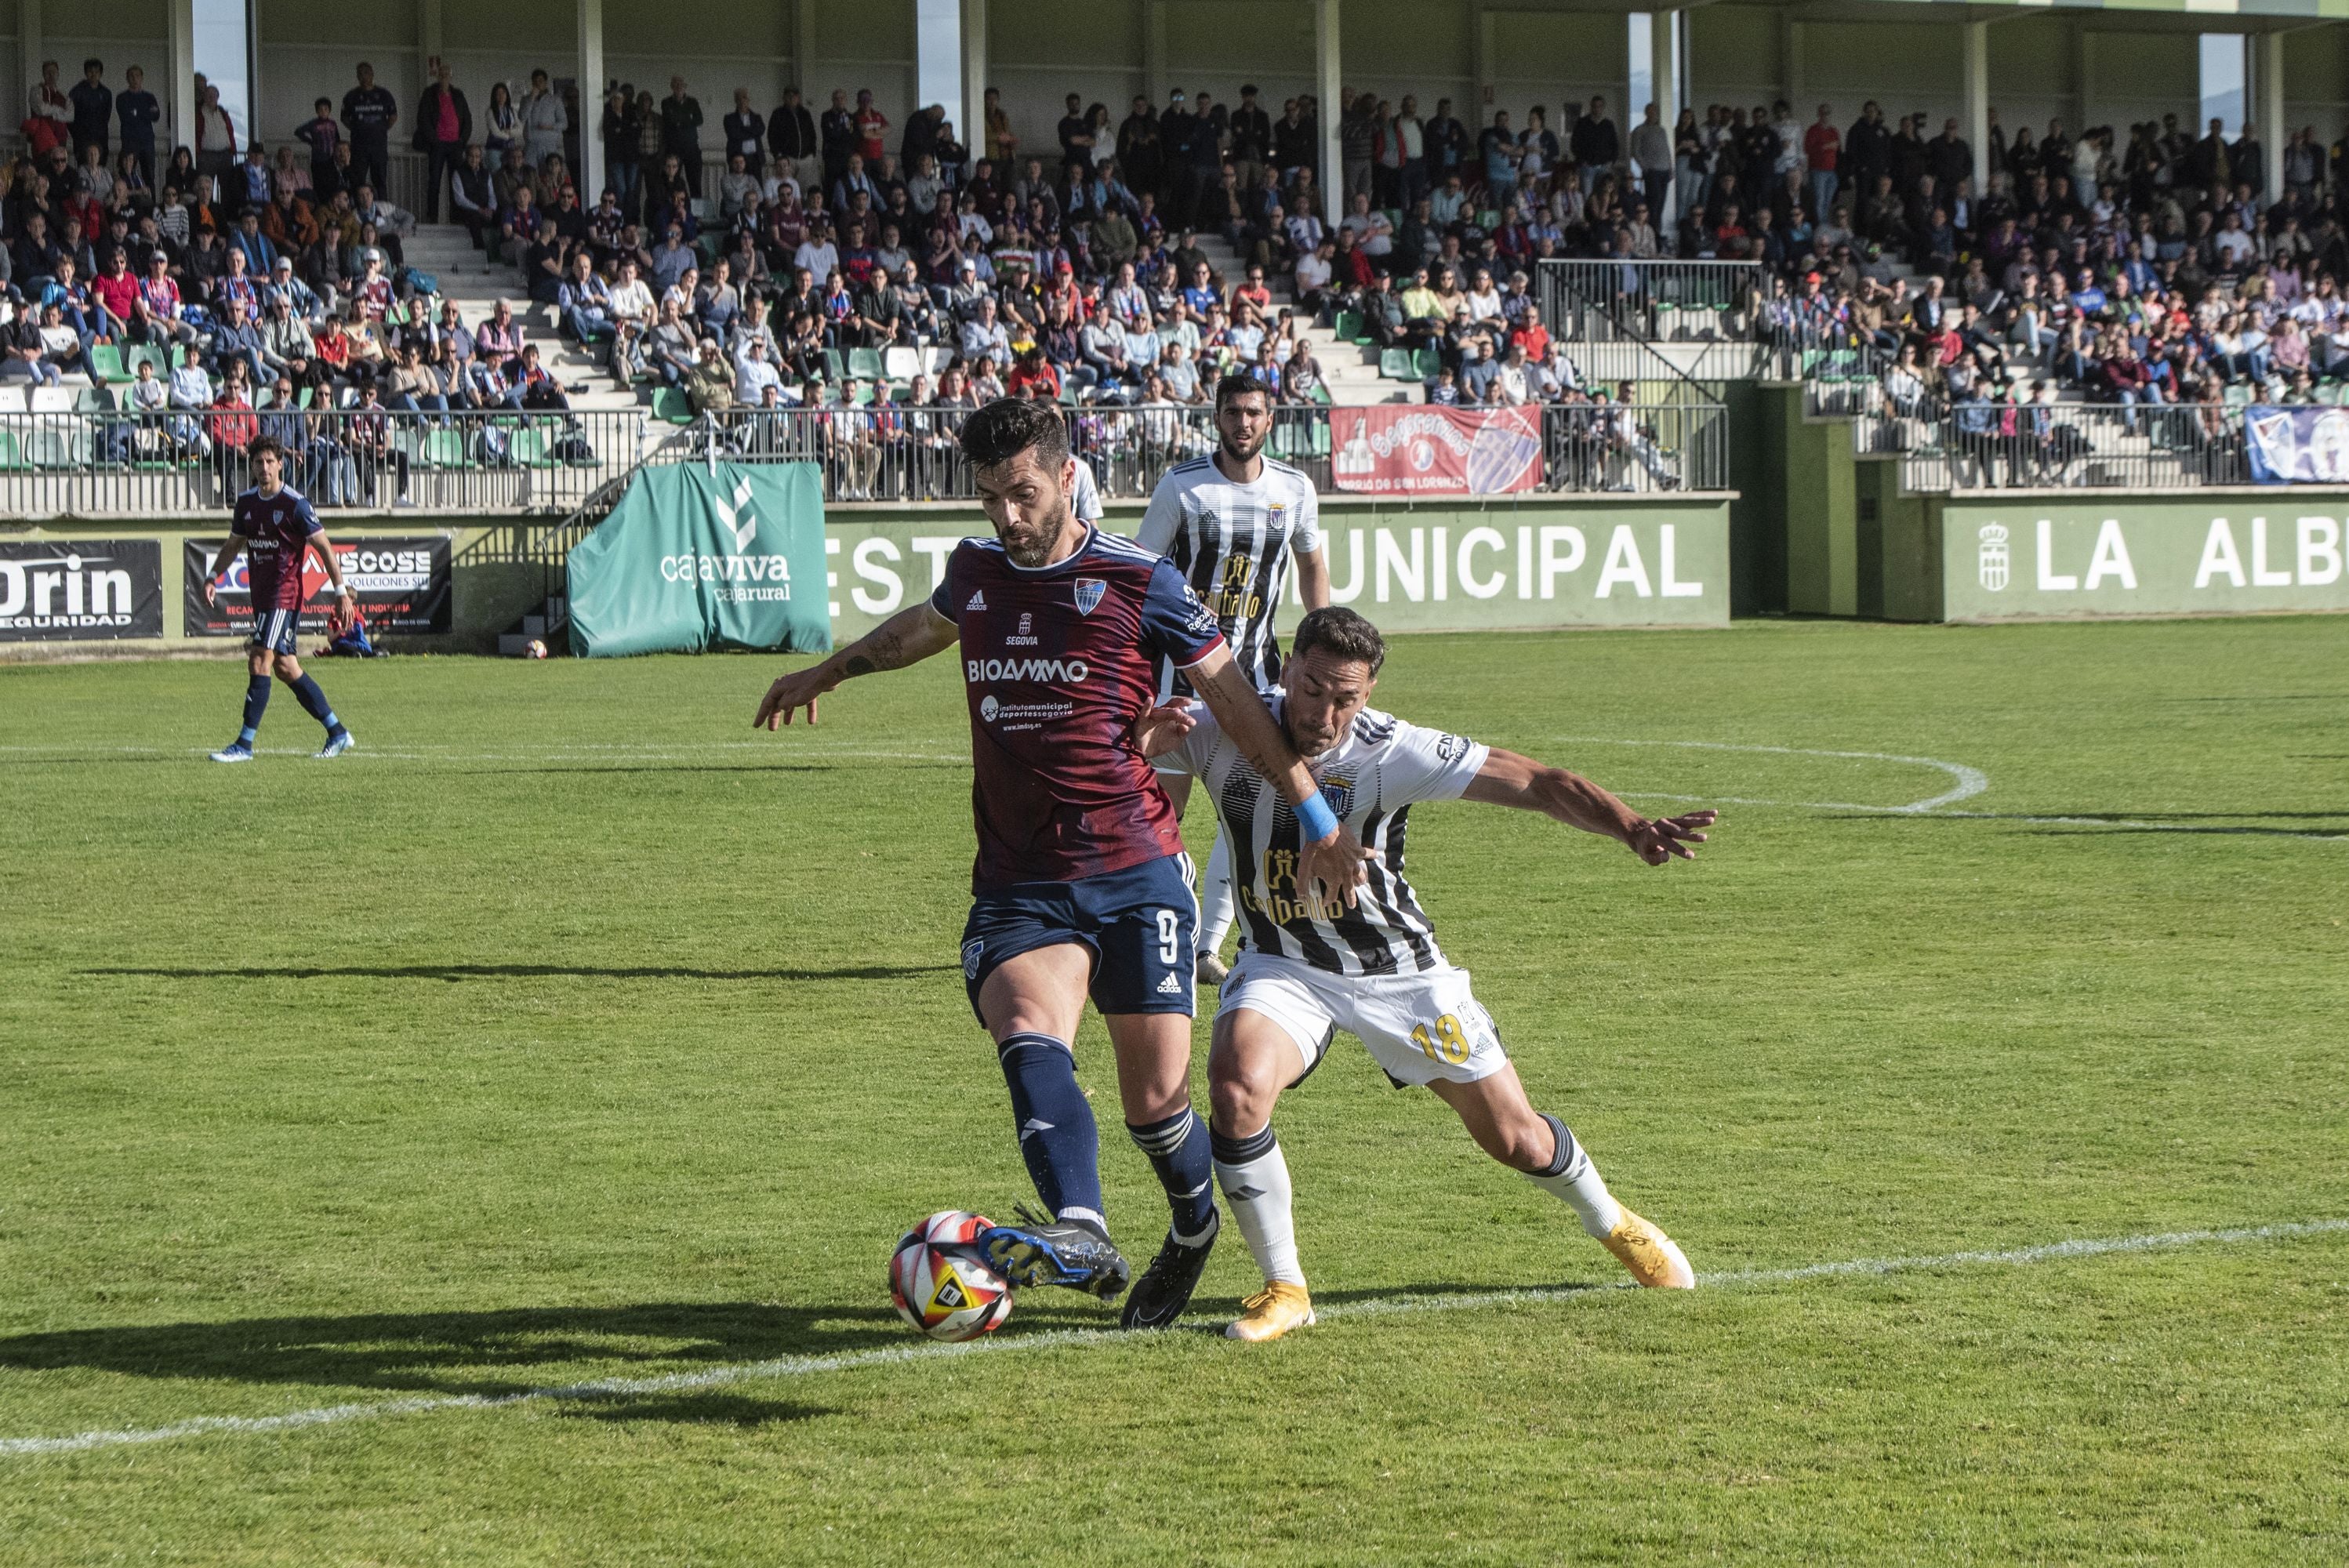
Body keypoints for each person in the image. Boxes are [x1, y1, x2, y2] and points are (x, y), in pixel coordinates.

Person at [750, 397, 1374, 1330]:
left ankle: (1194, 1227)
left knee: (1156, 1106)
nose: (1007, 517)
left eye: (1023, 493)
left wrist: (1318, 818)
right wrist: (828, 671)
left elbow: (1242, 708)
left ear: (1067, 476)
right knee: (1027, 1032)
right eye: (990, 498)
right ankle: (1080, 1223)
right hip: (1018, 877)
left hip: (1133, 866)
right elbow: (915, 632)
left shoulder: (1140, 578)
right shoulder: (976, 573)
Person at [1130, 606, 1708, 1341]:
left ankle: (1615, 1222)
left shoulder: (1390, 749)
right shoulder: (1218, 730)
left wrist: (1632, 827)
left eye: (1347, 698)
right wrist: (1140, 746)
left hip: (1397, 973)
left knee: (1517, 1140)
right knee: (1236, 1088)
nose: (1326, 713)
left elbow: (1534, 780)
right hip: (1283, 963)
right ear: (1286, 670)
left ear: (1367, 695)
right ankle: (1285, 1287)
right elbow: (1123, 781)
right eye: (1313, 690)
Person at [1135, 375, 1331, 982]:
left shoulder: (1294, 489)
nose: (1242, 423)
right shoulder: (1183, 486)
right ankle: (1150, 931)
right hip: (1177, 683)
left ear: (1269, 419)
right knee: (1158, 819)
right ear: (1216, 418)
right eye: (1232, 413)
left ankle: (1203, 946)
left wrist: (1320, 642)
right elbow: (1139, 576)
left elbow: (1312, 566)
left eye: (1252, 413)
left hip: (1255, 684)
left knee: (1247, 813)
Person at [198, 436, 359, 763]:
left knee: (260, 658)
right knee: (286, 668)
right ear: (252, 465)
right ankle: (338, 732)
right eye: (259, 462)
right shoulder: (246, 503)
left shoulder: (295, 503)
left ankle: (243, 745)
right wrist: (214, 575)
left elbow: (325, 547)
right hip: (261, 594)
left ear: (281, 464)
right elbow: (233, 544)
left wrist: (341, 593)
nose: (264, 467)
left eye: (270, 461)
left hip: (284, 595)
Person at [413, 62, 471, 225]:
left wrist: (462, 140)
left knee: (457, 182)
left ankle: (457, 217)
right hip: (437, 144)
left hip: (455, 145)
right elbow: (422, 119)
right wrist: (434, 140)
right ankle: (433, 217)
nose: (444, 77)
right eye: (442, 74)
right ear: (438, 76)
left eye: (447, 74)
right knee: (434, 182)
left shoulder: (458, 94)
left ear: (451, 76)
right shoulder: (429, 93)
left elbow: (467, 119)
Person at [341, 63, 399, 200]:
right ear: (357, 76)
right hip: (359, 147)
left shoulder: (384, 94)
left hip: (379, 146)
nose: (363, 76)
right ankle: (358, 214)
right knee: (357, 181)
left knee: (380, 181)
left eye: (366, 72)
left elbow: (393, 116)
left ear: (372, 74)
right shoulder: (351, 96)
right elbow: (344, 118)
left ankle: (382, 213)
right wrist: (358, 129)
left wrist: (381, 128)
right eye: (360, 73)